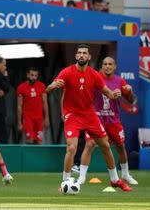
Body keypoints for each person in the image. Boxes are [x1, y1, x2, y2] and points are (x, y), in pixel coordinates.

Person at [46, 44, 132, 192]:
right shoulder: (66, 72)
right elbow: (48, 88)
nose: (81, 55)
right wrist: (52, 86)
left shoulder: (94, 74)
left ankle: (115, 180)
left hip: (90, 115)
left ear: (89, 57)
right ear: (76, 56)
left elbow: (108, 93)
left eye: (84, 53)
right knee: (71, 147)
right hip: (72, 115)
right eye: (79, 53)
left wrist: (115, 94)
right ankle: (65, 182)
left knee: (105, 145)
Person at [77, 57, 138, 185]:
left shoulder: (119, 81)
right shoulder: (94, 77)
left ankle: (125, 174)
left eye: (110, 64)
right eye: (105, 64)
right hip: (95, 120)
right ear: (102, 66)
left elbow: (132, 101)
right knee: (89, 145)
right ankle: (81, 177)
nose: (107, 66)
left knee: (121, 146)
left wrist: (129, 91)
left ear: (115, 66)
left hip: (113, 121)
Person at [16, 67, 50, 144]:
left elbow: (45, 103)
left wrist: (47, 118)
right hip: (28, 118)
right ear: (27, 75)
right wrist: (19, 122)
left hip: (39, 118)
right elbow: (19, 106)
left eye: (35, 75)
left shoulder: (41, 86)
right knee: (30, 140)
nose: (34, 77)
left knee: (39, 141)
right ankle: (29, 156)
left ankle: (37, 156)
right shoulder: (21, 87)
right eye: (32, 75)